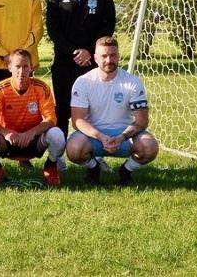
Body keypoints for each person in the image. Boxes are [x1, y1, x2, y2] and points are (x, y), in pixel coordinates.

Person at [66, 36, 159, 186]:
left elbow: (142, 121)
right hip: (94, 136)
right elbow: (78, 121)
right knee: (74, 149)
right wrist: (101, 137)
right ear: (95, 58)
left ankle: (126, 171)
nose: (109, 60)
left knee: (150, 146)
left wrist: (122, 137)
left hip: (124, 136)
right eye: (104, 56)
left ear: (119, 56)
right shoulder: (83, 82)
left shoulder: (133, 82)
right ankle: (93, 168)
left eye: (113, 55)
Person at [46, 0, 116, 135]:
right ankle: (59, 150)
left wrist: (89, 51)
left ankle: (94, 148)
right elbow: (53, 29)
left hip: (92, 62)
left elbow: (108, 26)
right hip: (64, 62)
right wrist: (74, 52)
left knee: (93, 109)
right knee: (62, 109)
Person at [0, 49, 65, 186]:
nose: (21, 71)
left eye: (25, 66)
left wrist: (32, 133)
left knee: (57, 135)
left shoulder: (41, 88)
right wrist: (6, 133)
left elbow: (51, 118)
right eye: (17, 66)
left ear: (31, 68)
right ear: (9, 67)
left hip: (34, 140)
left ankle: (51, 166)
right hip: (8, 141)